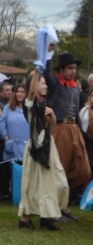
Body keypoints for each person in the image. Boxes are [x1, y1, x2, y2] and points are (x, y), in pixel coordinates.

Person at [18, 70, 69, 231]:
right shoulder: (30, 103)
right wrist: (38, 69)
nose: (46, 86)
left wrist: (52, 113)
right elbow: (31, 90)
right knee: (33, 184)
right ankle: (26, 219)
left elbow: (52, 124)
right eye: (42, 83)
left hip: (49, 146)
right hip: (36, 148)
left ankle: (48, 215)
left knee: (57, 181)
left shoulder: (44, 103)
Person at [44, 51, 90, 213]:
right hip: (59, 129)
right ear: (61, 70)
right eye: (70, 68)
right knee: (59, 169)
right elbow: (46, 74)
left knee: (82, 170)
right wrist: (48, 54)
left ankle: (65, 203)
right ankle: (57, 207)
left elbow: (77, 113)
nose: (73, 71)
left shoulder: (76, 90)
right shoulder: (56, 84)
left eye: (75, 68)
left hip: (74, 129)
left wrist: (84, 135)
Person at [0, 84, 30, 164]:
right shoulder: (8, 107)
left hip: (26, 146)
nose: (20, 94)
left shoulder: (30, 109)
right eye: (18, 91)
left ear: (26, 94)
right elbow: (1, 122)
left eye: (22, 92)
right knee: (12, 172)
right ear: (14, 93)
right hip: (12, 146)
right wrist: (5, 135)